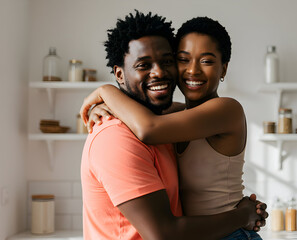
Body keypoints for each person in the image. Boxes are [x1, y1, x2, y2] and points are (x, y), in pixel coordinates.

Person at [80, 10, 266, 240]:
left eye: (206, 61)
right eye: (183, 60)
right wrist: (105, 103)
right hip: (214, 230)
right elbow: (145, 119)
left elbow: (149, 127)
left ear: (224, 69)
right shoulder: (173, 117)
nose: (193, 70)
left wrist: (105, 91)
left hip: (229, 234)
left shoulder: (225, 110)